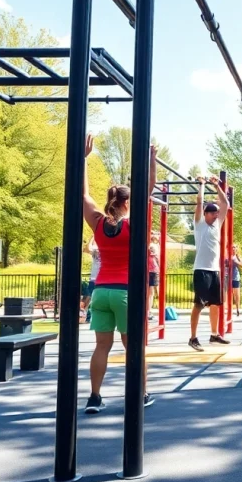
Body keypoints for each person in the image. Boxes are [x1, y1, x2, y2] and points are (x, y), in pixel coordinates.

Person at [82, 136, 157, 413]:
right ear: (127, 203)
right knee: (133, 347)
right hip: (125, 291)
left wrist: (84, 159)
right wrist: (151, 161)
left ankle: (94, 397)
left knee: (102, 346)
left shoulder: (98, 223)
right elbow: (148, 190)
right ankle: (141, 394)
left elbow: (84, 197)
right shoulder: (132, 225)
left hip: (101, 291)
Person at [188, 175, 231, 351]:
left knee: (216, 304)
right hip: (201, 270)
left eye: (216, 214)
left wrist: (216, 185)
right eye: (213, 213)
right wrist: (202, 184)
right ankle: (193, 338)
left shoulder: (217, 225)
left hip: (214, 271)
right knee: (199, 304)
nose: (216, 215)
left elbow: (225, 203)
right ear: (206, 214)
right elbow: (199, 202)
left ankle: (214, 334)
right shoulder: (199, 224)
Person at [82, 237, 100, 324]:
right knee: (89, 297)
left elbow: (88, 248)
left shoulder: (96, 250)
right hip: (98, 279)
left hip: (98, 278)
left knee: (91, 297)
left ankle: (88, 316)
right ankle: (87, 316)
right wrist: (93, 237)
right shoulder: (97, 250)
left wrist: (92, 237)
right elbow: (87, 249)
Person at [148, 234, 160, 322]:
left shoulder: (146, 245)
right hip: (153, 270)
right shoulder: (154, 246)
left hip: (146, 269)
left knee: (147, 292)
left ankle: (147, 310)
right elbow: (157, 258)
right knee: (151, 293)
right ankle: (148, 311)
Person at [230, 244, 242, 316]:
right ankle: (228, 310)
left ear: (236, 249)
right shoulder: (227, 256)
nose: (233, 249)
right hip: (227, 278)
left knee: (236, 294)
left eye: (234, 247)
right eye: (232, 247)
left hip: (235, 278)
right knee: (227, 294)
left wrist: (236, 262)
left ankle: (238, 309)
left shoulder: (238, 257)